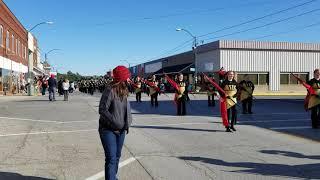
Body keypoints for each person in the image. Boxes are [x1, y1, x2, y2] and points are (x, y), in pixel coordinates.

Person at [99, 65, 132, 180]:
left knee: (117, 157)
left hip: (121, 130)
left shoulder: (124, 90)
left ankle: (113, 177)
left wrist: (127, 123)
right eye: (127, 77)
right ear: (121, 78)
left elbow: (124, 110)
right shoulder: (110, 90)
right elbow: (102, 109)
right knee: (111, 159)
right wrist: (115, 122)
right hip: (108, 130)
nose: (129, 79)